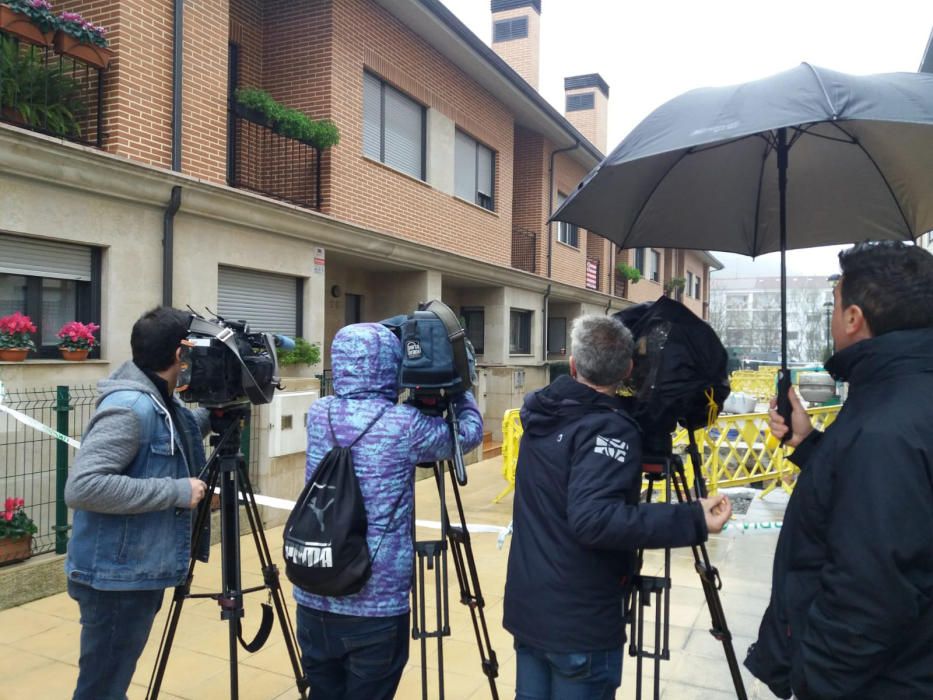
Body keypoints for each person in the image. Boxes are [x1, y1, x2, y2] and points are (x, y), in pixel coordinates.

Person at [503, 314, 732, 700]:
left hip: (531, 614)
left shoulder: (543, 414)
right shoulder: (608, 429)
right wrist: (691, 518)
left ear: (573, 365)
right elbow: (594, 520)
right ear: (628, 369)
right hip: (580, 626)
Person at [746, 241, 933, 699]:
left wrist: (814, 681)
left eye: (834, 306)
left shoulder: (884, 427)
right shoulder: (904, 395)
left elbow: (869, 593)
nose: (832, 320)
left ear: (853, 319)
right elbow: (878, 500)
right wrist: (809, 445)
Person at [293, 322, 483, 700]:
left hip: (313, 597)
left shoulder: (319, 413)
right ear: (390, 366)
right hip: (376, 607)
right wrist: (460, 390)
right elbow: (467, 435)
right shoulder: (404, 425)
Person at [64, 306, 209, 700]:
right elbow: (84, 487)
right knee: (102, 688)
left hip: (131, 570)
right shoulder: (130, 407)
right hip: (114, 579)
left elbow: (169, 433)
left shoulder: (156, 396)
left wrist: (214, 415)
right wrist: (177, 491)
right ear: (180, 355)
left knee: (112, 681)